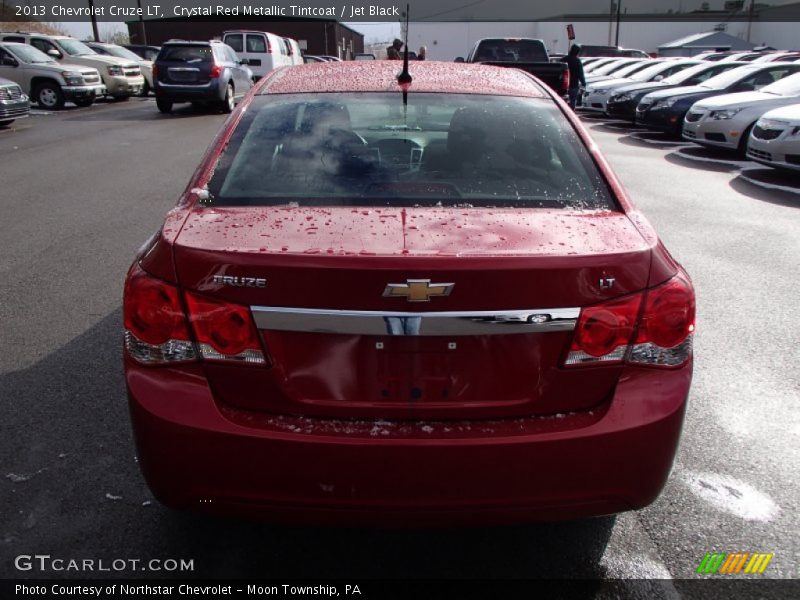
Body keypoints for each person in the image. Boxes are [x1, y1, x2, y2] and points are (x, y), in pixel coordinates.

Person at [562, 44, 586, 109]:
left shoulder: (564, 59)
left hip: (563, 84)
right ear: (577, 52)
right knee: (573, 101)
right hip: (574, 84)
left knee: (562, 100)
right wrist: (583, 83)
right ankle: (571, 114)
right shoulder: (577, 61)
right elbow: (580, 74)